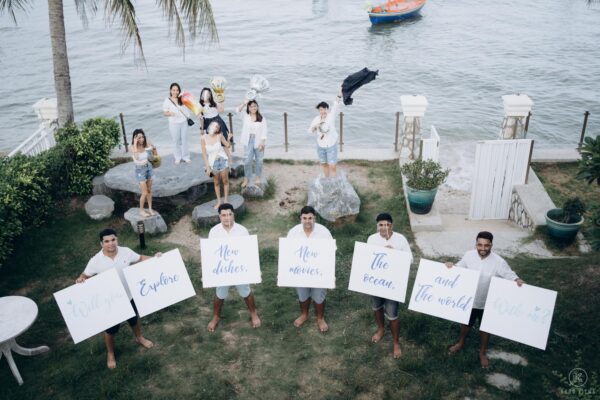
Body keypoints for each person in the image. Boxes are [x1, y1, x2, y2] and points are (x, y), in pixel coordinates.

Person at [76, 228, 161, 369]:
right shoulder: (95, 261)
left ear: (117, 239)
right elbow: (85, 275)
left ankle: (139, 338)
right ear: (101, 244)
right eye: (106, 241)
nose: (111, 243)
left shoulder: (126, 251)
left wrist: (156, 258)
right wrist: (80, 279)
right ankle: (110, 353)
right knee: (110, 330)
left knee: (134, 320)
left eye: (113, 240)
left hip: (129, 295)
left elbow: (139, 258)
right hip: (111, 301)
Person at [446, 231, 524, 368]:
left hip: (488, 302)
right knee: (465, 323)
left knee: (486, 328)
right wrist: (451, 267)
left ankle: (482, 352)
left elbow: (509, 274)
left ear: (491, 245)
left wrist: (517, 279)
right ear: (476, 244)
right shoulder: (468, 255)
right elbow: (459, 267)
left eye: (486, 246)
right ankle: (461, 342)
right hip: (470, 300)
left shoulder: (499, 262)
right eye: (480, 245)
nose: (483, 249)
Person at [206, 203, 261, 332]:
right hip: (222, 270)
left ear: (233, 214)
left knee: (245, 291)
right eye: (224, 215)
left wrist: (254, 269)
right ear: (219, 216)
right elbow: (210, 253)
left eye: (230, 214)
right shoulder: (214, 232)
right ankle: (216, 317)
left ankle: (253, 314)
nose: (227, 218)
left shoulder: (242, 230)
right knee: (220, 294)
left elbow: (249, 251)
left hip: (239, 269)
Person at [366, 213, 413, 359]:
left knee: (392, 313)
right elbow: (366, 258)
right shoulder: (372, 239)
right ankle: (381, 329)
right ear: (377, 226)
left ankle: (395, 342)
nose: (384, 227)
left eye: (387, 224)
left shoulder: (400, 239)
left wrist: (395, 253)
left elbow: (410, 259)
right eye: (380, 225)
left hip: (393, 282)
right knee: (377, 307)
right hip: (377, 281)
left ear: (391, 225)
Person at [286, 206, 333, 333]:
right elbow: (287, 253)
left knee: (319, 296)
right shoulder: (293, 233)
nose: (307, 221)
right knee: (303, 295)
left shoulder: (324, 232)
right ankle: (304, 314)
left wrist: (330, 275)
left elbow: (330, 254)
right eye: (304, 218)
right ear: (301, 218)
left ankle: (320, 318)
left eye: (310, 218)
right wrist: (284, 273)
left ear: (314, 219)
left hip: (319, 271)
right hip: (300, 271)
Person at [308, 89, 342, 178]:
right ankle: (327, 180)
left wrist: (339, 94)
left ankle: (334, 183)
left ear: (327, 109)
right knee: (324, 165)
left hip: (331, 145)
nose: (322, 111)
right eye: (320, 110)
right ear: (319, 111)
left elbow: (336, 104)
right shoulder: (316, 119)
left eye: (324, 109)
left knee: (332, 166)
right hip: (320, 146)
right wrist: (315, 126)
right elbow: (310, 131)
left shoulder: (331, 116)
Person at [201, 121, 233, 209]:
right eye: (215, 126)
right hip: (213, 163)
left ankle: (226, 200)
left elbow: (227, 145)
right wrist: (207, 168)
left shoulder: (219, 135)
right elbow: (204, 154)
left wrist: (229, 138)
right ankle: (219, 201)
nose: (217, 128)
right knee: (216, 183)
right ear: (210, 126)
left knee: (225, 181)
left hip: (223, 160)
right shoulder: (203, 138)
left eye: (218, 127)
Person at [236, 99, 268, 187]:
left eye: (255, 106)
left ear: (257, 107)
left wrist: (262, 143)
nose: (253, 108)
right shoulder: (245, 116)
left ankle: (258, 177)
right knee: (247, 161)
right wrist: (244, 102)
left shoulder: (262, 118)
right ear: (248, 108)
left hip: (259, 141)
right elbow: (237, 111)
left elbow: (264, 131)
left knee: (259, 160)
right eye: (251, 106)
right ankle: (246, 178)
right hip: (248, 141)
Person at [162, 82, 192, 164]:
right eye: (173, 90)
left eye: (177, 90)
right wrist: (170, 113)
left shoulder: (182, 99)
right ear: (170, 90)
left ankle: (186, 157)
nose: (175, 92)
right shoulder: (167, 100)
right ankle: (178, 157)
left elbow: (190, 105)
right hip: (173, 123)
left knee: (185, 140)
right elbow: (165, 113)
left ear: (179, 91)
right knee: (176, 141)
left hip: (183, 122)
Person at [131, 128, 156, 217]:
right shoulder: (132, 147)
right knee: (144, 192)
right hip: (140, 170)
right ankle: (141, 211)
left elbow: (152, 158)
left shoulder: (145, 145)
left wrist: (152, 148)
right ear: (135, 138)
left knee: (149, 191)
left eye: (142, 137)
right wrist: (134, 143)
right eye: (139, 138)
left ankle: (150, 209)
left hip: (148, 168)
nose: (141, 139)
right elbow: (137, 157)